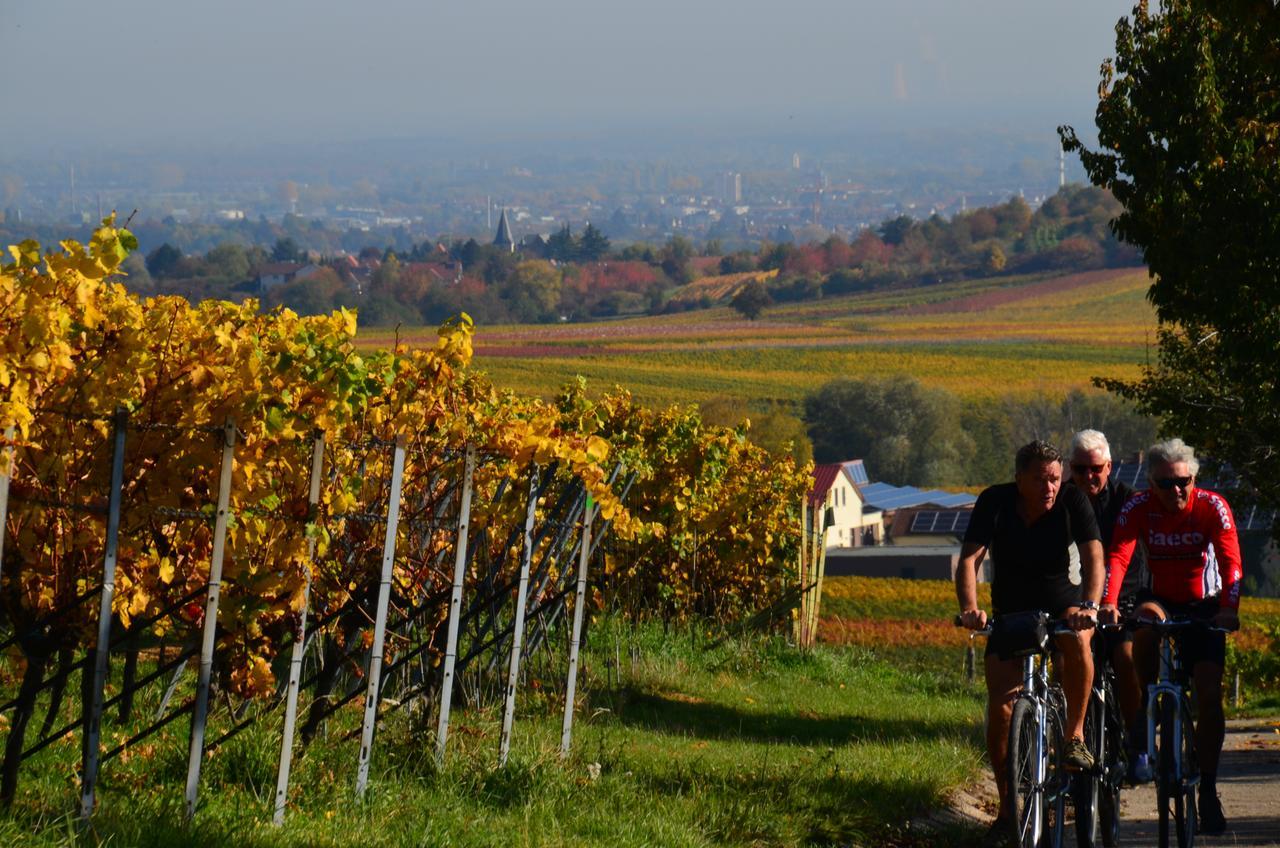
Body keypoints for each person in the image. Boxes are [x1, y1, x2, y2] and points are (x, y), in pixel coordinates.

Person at [956, 440, 1104, 845]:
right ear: (1019, 478)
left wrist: (1089, 605)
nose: (1049, 487)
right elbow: (970, 560)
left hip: (1063, 606)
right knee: (1001, 711)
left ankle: (1073, 736)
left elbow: (1094, 558)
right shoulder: (996, 502)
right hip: (1011, 612)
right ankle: (1008, 809)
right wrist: (971, 608)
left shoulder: (1073, 500)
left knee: (1078, 641)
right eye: (1039, 479)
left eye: (1054, 478)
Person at [1100, 438, 1241, 835]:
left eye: (1183, 482)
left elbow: (1231, 561)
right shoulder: (1138, 507)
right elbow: (1119, 555)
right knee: (1143, 623)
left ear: (1194, 478)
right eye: (1165, 484)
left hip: (1205, 603)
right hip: (1158, 598)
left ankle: (1208, 789)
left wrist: (1229, 609)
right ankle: (1146, 712)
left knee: (1210, 696)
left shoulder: (1212, 506)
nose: (1176, 490)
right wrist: (1109, 602)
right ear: (1151, 483)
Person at [1065, 428, 1150, 778]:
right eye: (1080, 469)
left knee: (1125, 659)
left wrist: (1115, 600)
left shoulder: (1128, 500)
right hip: (1078, 601)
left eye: (1095, 468)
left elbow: (1130, 555)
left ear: (1109, 466)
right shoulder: (1061, 500)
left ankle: (1138, 744)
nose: (1088, 476)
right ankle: (1071, 737)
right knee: (1065, 660)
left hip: (1123, 598)